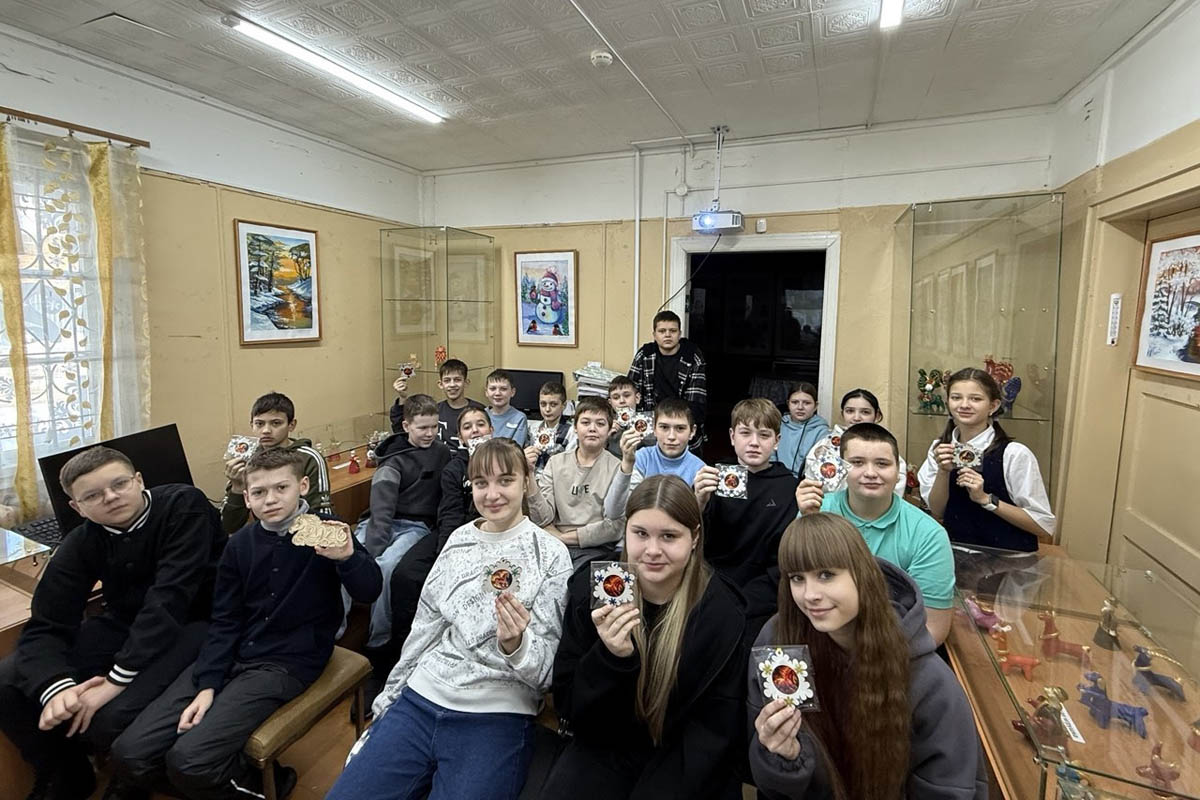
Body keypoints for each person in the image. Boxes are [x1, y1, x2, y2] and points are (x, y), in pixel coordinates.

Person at [110, 448, 382, 799]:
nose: (271, 499)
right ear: (247, 498)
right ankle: (218, 775)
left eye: (281, 488)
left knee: (189, 760)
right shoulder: (240, 544)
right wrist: (208, 683)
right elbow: (225, 619)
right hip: (233, 652)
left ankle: (266, 784)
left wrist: (347, 558)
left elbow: (369, 590)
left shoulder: (326, 531)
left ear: (302, 486)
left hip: (287, 661)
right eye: (259, 492)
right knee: (129, 751)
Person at [327, 438, 572, 800]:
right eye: (481, 483)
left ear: (525, 481)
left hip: (496, 711)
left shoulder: (551, 554)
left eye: (505, 480)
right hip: (423, 695)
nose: (492, 494)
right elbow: (424, 629)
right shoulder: (459, 540)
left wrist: (517, 645)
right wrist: (387, 703)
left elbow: (546, 673)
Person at [0, 447, 225, 800]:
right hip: (127, 623)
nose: (110, 497)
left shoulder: (184, 504)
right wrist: (56, 686)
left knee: (109, 715)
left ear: (139, 480)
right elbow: (48, 623)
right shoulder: (82, 541)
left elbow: (169, 598)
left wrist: (115, 681)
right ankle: (65, 772)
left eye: (119, 484)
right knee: (7, 679)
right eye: (92, 495)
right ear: (77, 507)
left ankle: (132, 779)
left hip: (197, 620)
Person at [749, 513, 986, 800]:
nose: (810, 594)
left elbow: (948, 789)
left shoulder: (930, 683)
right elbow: (771, 788)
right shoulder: (777, 646)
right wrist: (781, 758)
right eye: (797, 578)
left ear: (862, 575)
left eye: (826, 575)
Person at [542, 475, 747, 800]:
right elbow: (571, 708)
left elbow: (716, 730)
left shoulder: (721, 613)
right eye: (640, 533)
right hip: (604, 744)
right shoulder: (591, 591)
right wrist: (610, 659)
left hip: (685, 758)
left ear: (694, 537)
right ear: (625, 530)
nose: (652, 551)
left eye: (669, 536)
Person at [794, 423, 955, 645]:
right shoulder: (816, 510)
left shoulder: (928, 535)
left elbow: (933, 628)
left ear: (898, 469)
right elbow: (799, 590)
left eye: (882, 464)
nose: (870, 473)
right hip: (820, 638)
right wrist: (809, 523)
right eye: (857, 462)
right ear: (841, 467)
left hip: (893, 646)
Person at [381, 407, 495, 697]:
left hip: (493, 534)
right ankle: (395, 655)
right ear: (460, 437)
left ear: (491, 430)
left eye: (481, 424)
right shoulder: (454, 468)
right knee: (406, 574)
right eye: (467, 427)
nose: (475, 430)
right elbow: (449, 514)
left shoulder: (504, 458)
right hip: (452, 533)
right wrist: (448, 555)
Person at [917, 367, 1056, 552]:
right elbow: (938, 511)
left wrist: (986, 500)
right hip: (954, 554)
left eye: (975, 399)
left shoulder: (1014, 454)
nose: (964, 405)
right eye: (956, 397)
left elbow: (1043, 525)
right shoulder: (940, 448)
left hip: (1008, 560)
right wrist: (943, 472)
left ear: (993, 406)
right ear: (947, 402)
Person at [353, 394, 450, 649]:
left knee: (388, 567)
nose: (430, 433)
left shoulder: (441, 453)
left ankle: (379, 639)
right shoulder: (392, 460)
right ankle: (337, 630)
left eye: (434, 427)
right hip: (380, 521)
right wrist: (372, 551)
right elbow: (381, 510)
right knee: (348, 557)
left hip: (416, 526)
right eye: (423, 428)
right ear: (406, 426)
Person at [693, 398, 798, 630]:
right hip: (710, 587)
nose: (754, 443)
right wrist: (698, 503)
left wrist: (745, 603)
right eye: (745, 433)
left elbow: (783, 560)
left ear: (777, 441)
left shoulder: (790, 489)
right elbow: (695, 544)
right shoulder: (713, 480)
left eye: (764, 435)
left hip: (764, 598)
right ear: (732, 437)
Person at [527, 396, 626, 568]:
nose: (592, 429)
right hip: (553, 545)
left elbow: (615, 526)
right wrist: (528, 473)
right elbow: (543, 518)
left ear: (610, 429)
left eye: (600, 424)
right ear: (575, 427)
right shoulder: (555, 463)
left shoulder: (618, 468)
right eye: (585, 422)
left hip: (596, 549)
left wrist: (564, 538)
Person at [220, 391, 332, 533]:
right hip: (265, 535)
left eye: (276, 423)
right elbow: (229, 526)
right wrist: (237, 487)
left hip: (303, 535)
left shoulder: (309, 457)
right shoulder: (247, 459)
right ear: (252, 425)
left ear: (291, 425)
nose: (266, 430)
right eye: (259, 424)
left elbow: (321, 513)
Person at [603, 398, 706, 519]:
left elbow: (694, 522)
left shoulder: (700, 470)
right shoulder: (641, 458)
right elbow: (613, 513)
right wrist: (626, 463)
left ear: (692, 432)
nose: (671, 436)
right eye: (664, 427)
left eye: (680, 428)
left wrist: (701, 502)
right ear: (654, 429)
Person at [628, 310, 707, 452]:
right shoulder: (645, 354)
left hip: (682, 425)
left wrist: (674, 426)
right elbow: (630, 393)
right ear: (654, 335)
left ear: (680, 333)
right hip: (649, 427)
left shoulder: (692, 356)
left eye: (673, 331)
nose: (667, 335)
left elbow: (696, 405)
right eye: (662, 331)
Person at [803, 389, 906, 496]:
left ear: (877, 415)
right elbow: (812, 485)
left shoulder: (886, 446)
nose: (856, 418)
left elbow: (897, 484)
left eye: (865, 412)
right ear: (842, 414)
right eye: (850, 411)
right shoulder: (826, 445)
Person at [391, 358, 485, 448]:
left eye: (457, 380)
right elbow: (402, 431)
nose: (452, 385)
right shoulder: (434, 410)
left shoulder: (479, 411)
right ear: (440, 384)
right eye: (447, 380)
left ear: (466, 383)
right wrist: (403, 397)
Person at [772, 382, 829, 479]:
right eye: (795, 402)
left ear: (815, 406)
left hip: (806, 480)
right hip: (776, 477)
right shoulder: (778, 425)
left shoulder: (822, 431)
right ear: (788, 404)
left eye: (806, 403)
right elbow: (770, 454)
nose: (800, 407)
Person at [525, 380, 577, 472]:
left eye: (553, 404)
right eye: (543, 404)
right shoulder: (532, 429)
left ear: (564, 405)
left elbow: (571, 465)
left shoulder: (572, 432)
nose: (547, 409)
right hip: (533, 475)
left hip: (557, 476)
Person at [486, 369, 530, 447]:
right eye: (492, 389)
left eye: (503, 389)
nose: (497, 393)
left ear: (512, 392)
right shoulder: (482, 415)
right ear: (486, 392)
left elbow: (515, 449)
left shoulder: (519, 418)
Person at [605, 375, 645, 458]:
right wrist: (605, 438)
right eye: (616, 397)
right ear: (610, 402)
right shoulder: (605, 424)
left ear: (637, 398)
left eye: (626, 395)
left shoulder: (649, 423)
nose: (622, 401)